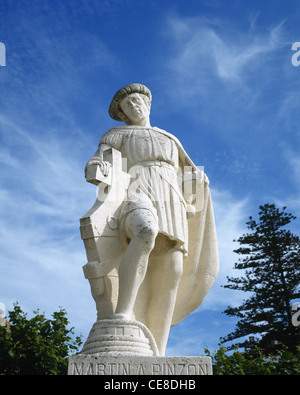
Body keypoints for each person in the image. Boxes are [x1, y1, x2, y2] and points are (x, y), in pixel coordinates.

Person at [84, 84, 219, 355]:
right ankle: (122, 313)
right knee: (145, 230)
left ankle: (156, 350)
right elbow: (98, 161)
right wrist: (96, 167)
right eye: (127, 105)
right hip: (134, 190)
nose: (134, 106)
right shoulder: (116, 135)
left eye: (138, 101)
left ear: (148, 104)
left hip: (170, 198)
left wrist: (199, 181)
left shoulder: (169, 139)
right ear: (122, 113)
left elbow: (191, 173)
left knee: (172, 270)